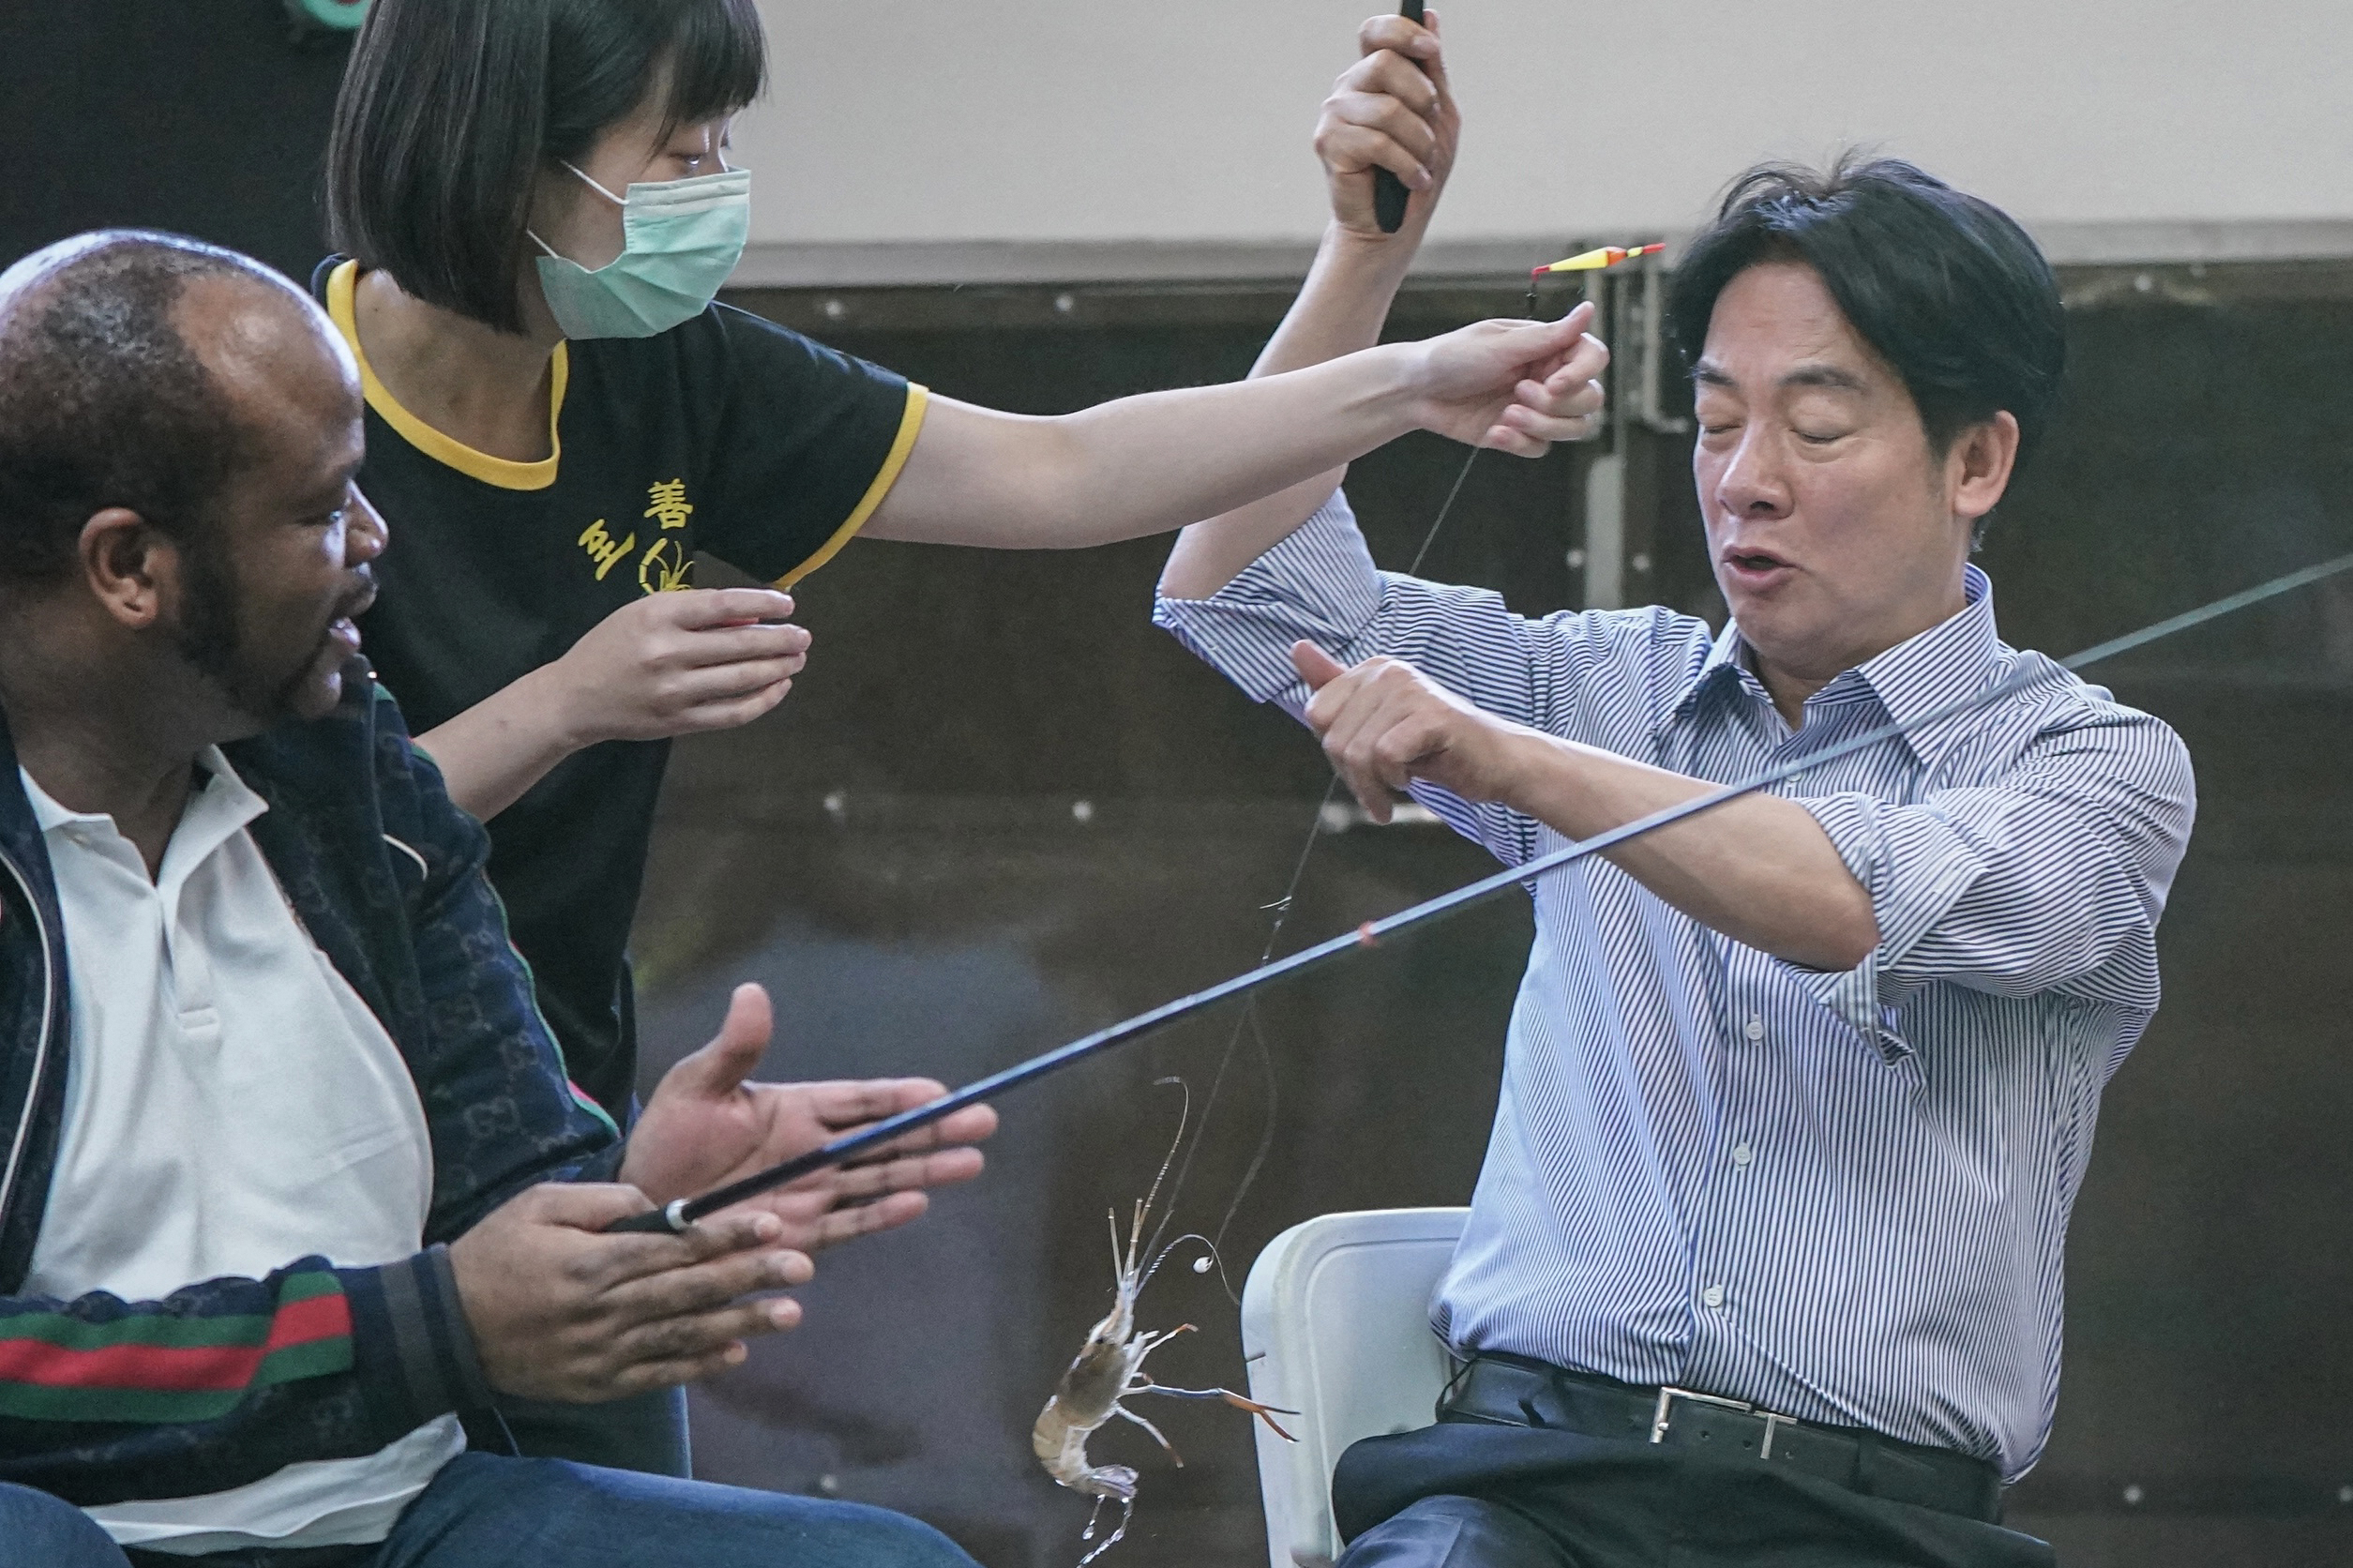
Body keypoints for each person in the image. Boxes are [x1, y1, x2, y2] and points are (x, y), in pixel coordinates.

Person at [318, 0, 1591, 1472]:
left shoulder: (668, 371)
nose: (716, 190)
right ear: (501, 155)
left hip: (568, 1147)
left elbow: (1060, 473)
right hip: (324, 1154)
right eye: (676, 154)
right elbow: (278, 852)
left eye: (721, 143)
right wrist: (567, 703)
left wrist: (1402, 375)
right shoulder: (284, 408)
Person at [1154, 15, 2198, 1567]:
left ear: (1973, 463)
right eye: (1714, 421)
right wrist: (1362, 268)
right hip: (1524, 1490)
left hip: (1873, 1527)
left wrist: (1490, 753)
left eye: (1816, 423)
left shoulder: (2093, 765)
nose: (1743, 477)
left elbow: (1844, 898)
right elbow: (1232, 587)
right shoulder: (1605, 685)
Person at [0, 230, 998, 1567]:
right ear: (129, 568)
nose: (372, 539)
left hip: (398, 1517)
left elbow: (512, 1185)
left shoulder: (349, 781)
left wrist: (647, 1202)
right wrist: (430, 1328)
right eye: (318, 511)